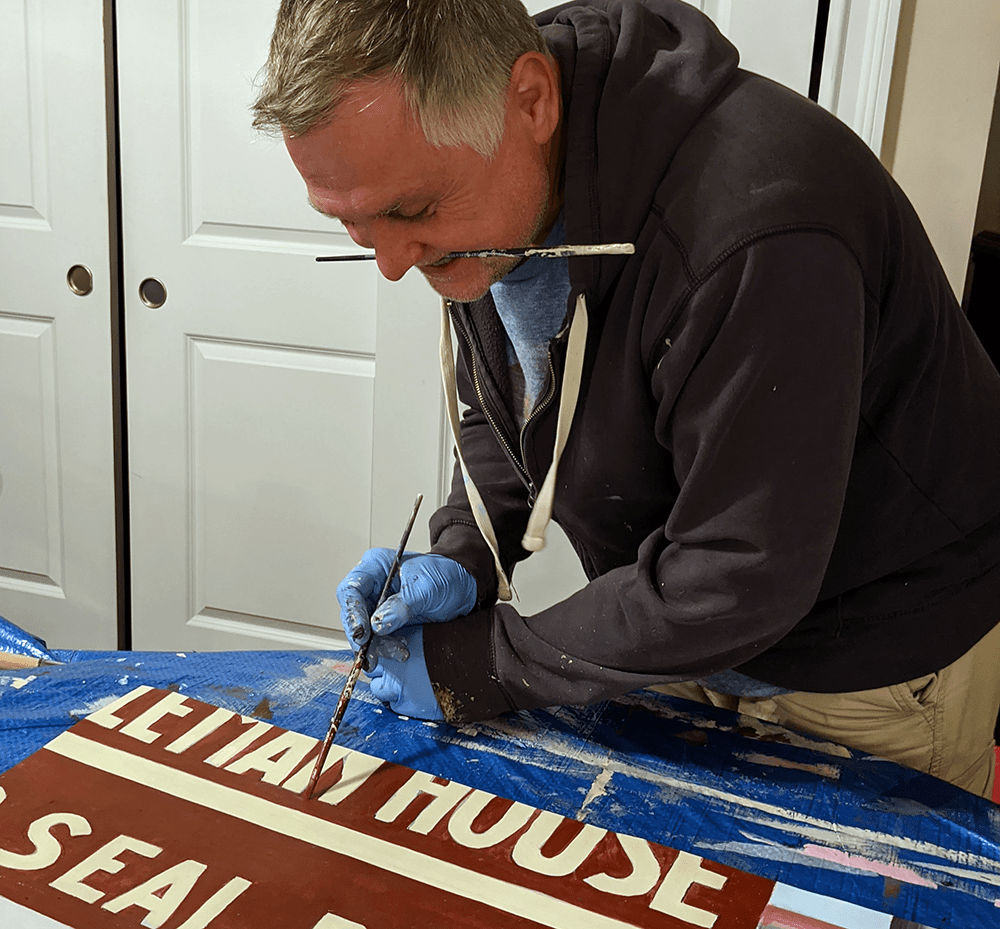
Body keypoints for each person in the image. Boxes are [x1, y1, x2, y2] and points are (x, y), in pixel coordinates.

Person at [253, 0, 1000, 798]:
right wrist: (466, 547)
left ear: (532, 101)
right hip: (682, 625)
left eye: (410, 213)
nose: (393, 263)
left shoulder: (762, 226)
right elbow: (517, 395)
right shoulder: (478, 181)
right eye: (354, 226)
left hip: (870, 663)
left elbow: (739, 571)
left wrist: (491, 663)